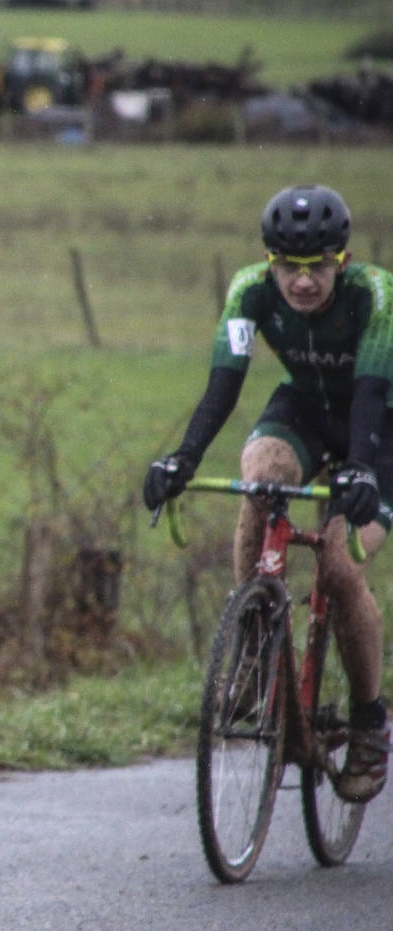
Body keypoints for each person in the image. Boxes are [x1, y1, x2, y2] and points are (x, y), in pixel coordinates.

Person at [143, 183, 393, 804]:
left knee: (337, 567)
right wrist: (182, 458)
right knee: (260, 471)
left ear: (343, 259)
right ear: (270, 260)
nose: (302, 283)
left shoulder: (376, 296)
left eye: (317, 268)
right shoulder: (249, 289)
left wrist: (359, 470)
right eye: (289, 267)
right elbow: (223, 386)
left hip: (379, 424)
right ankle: (255, 652)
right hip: (307, 408)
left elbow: (368, 392)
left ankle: (368, 722)